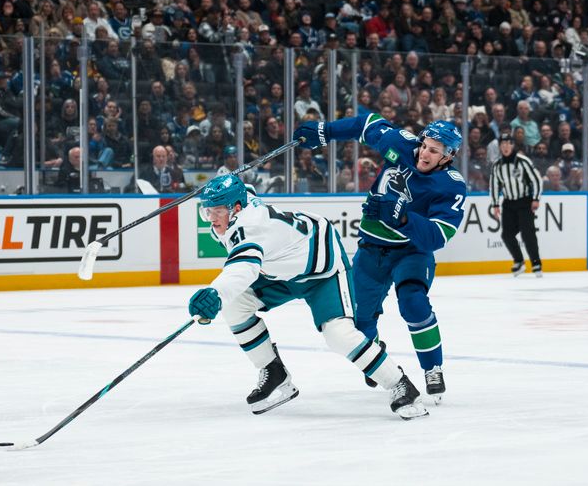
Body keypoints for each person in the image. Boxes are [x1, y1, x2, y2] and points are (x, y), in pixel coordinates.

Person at [188, 174, 427, 419]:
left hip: (322, 269)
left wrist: (216, 293)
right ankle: (274, 372)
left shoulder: (250, 228)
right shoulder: (241, 204)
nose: (212, 218)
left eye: (218, 211)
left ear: (237, 209)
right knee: (235, 306)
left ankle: (400, 384)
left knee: (339, 335)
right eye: (208, 211)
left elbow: (243, 269)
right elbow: (247, 188)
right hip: (281, 271)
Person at [294, 117, 467, 404]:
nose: (425, 153)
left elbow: (437, 236)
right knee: (359, 321)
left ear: (448, 156)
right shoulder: (400, 143)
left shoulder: (451, 186)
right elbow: (367, 124)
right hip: (371, 250)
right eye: (425, 146)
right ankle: (377, 358)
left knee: (414, 304)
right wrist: (326, 131)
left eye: (434, 151)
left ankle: (432, 367)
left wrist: (403, 218)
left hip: (411, 253)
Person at [489, 133, 543, 277]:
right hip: (508, 203)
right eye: (503, 144)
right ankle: (519, 261)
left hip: (524, 202)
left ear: (513, 145)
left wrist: (536, 198)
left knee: (528, 234)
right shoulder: (497, 165)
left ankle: (536, 263)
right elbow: (494, 185)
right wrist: (495, 204)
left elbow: (537, 180)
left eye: (508, 143)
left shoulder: (523, 161)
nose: (505, 146)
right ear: (500, 146)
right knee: (506, 235)